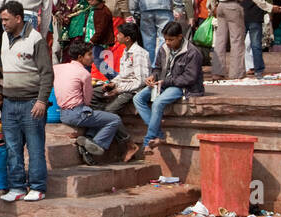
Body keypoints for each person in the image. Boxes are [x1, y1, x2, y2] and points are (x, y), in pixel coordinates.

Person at [0, 0, 53, 203]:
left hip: (31, 102)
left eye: (6, 19)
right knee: (12, 147)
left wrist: (41, 100)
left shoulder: (35, 38)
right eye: (2, 19)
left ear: (18, 18)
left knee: (35, 147)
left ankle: (38, 186)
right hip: (9, 102)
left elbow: (47, 73)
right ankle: (17, 186)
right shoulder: (4, 36)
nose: (3, 23)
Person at [206, 0, 281, 79]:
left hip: (221, 6)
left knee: (220, 40)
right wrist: (269, 7)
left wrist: (211, 7)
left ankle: (217, 72)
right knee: (237, 41)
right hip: (234, 5)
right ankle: (236, 73)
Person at [133, 21, 203, 155]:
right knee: (137, 98)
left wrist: (165, 82)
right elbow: (157, 68)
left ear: (180, 37)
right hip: (162, 83)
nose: (168, 42)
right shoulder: (163, 48)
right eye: (165, 39)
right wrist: (152, 76)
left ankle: (149, 140)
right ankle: (158, 133)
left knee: (158, 103)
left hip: (181, 87)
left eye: (171, 39)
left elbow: (189, 78)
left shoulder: (192, 53)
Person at [55, 39, 124, 164]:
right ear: (81, 57)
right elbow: (87, 100)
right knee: (114, 119)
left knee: (98, 115)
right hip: (77, 113)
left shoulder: (58, 68)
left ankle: (88, 141)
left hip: (63, 113)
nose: (92, 58)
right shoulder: (84, 74)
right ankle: (96, 145)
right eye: (89, 55)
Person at [92, 22, 149, 159]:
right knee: (92, 94)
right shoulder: (125, 51)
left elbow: (140, 81)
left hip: (132, 90)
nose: (117, 36)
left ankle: (129, 143)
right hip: (121, 85)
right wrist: (113, 83)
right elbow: (123, 75)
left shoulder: (139, 53)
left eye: (119, 34)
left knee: (109, 113)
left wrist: (118, 90)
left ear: (127, 38)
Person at [241, 0, 272, 76]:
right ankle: (258, 70)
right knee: (255, 44)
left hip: (241, 15)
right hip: (255, 16)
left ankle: (240, 68)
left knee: (239, 44)